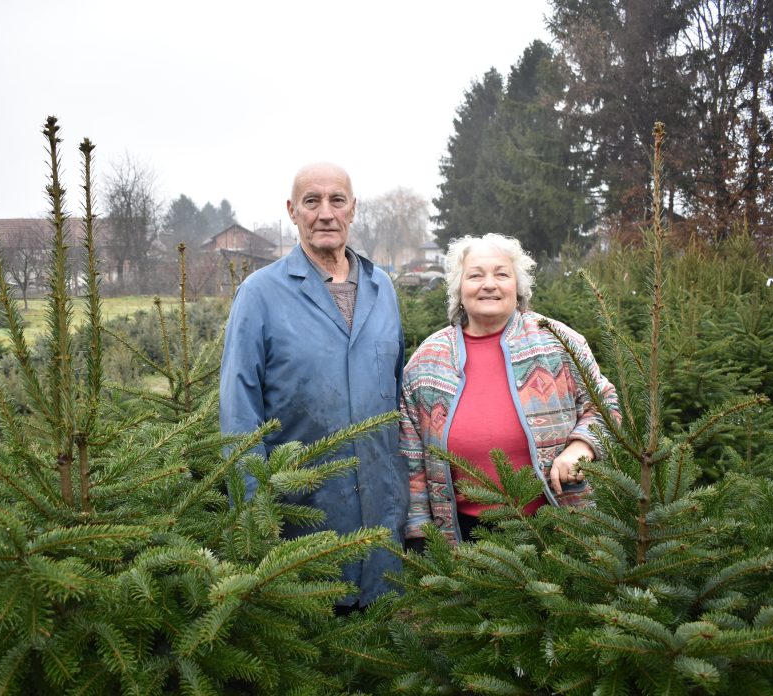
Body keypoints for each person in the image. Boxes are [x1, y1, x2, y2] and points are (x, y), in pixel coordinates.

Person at [219, 162, 407, 608]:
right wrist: (255, 520)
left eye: (337, 200)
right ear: (292, 211)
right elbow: (238, 414)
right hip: (304, 523)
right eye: (312, 201)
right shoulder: (260, 294)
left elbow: (399, 395)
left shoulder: (383, 288)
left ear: (353, 209)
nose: (326, 213)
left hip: (383, 522)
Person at [400, 233, 620, 547]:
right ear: (459, 289)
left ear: (517, 287)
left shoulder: (558, 341)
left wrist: (580, 448)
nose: (489, 284)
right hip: (463, 536)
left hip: (558, 526)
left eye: (501, 274)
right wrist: (420, 532)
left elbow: (606, 403)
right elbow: (412, 455)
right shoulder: (426, 361)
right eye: (475, 275)